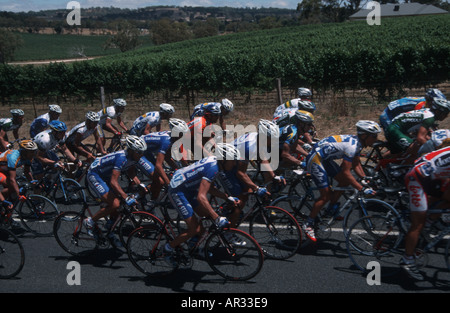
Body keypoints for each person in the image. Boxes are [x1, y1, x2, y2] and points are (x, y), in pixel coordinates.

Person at [303, 120, 381, 242]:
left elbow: (356, 164)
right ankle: (308, 224)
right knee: (326, 195)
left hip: (325, 159)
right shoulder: (353, 146)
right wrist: (361, 188)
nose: (376, 139)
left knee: (345, 182)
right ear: (364, 136)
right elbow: (346, 171)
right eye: (374, 136)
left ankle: (329, 210)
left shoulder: (358, 144)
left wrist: (365, 179)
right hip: (315, 159)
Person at [163, 143, 240, 267]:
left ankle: (193, 245)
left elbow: (208, 189)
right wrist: (217, 217)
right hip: (178, 190)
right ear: (224, 160)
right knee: (195, 228)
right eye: (233, 161)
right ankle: (167, 249)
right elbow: (201, 196)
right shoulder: (213, 169)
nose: (234, 164)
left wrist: (226, 197)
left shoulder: (216, 165)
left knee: (206, 218)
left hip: (189, 189)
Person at [84, 135, 155, 243]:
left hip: (106, 175)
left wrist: (140, 185)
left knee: (119, 204)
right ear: (131, 151)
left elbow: (131, 173)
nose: (141, 155)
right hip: (96, 174)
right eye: (139, 152)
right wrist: (126, 197)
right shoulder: (122, 158)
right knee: (116, 203)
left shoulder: (134, 158)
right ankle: (90, 222)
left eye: (142, 152)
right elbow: (113, 182)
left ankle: (109, 230)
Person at [218, 119, 284, 228]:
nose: (274, 141)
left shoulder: (258, 139)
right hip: (226, 167)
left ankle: (231, 211)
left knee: (247, 192)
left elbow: (263, 159)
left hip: (235, 163)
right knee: (240, 199)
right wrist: (256, 188)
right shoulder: (249, 146)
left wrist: (274, 176)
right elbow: (240, 173)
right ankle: (227, 226)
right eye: (271, 139)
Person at [402, 146, 450, 280]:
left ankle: (429, 223)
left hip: (431, 175)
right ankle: (407, 259)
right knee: (418, 224)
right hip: (417, 178)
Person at [384, 98, 450, 164]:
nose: (446, 116)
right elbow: (420, 138)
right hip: (395, 130)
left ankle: (381, 161)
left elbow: (426, 135)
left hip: (395, 128)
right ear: (438, 112)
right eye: (445, 113)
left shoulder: (428, 112)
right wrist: (434, 151)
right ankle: (404, 173)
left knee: (399, 153)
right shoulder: (430, 118)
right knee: (419, 152)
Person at [140, 118, 189, 199]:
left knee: (160, 179)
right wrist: (169, 183)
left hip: (147, 152)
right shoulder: (167, 141)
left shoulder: (172, 138)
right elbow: (158, 165)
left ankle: (152, 200)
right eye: (181, 134)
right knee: (160, 181)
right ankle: (140, 197)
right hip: (139, 154)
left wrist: (178, 169)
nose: (183, 136)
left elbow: (167, 157)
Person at [379, 88, 446, 131]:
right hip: (388, 115)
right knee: (397, 141)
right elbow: (416, 120)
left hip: (393, 112)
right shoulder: (422, 104)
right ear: (431, 100)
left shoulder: (426, 103)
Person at [0, 140, 37, 206]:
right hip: (2, 170)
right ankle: (2, 200)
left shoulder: (29, 157)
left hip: (5, 169)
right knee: (13, 186)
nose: (33, 154)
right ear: (24, 151)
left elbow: (27, 172)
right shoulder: (13, 158)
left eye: (34, 151)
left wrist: (34, 183)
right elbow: (12, 179)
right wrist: (19, 195)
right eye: (31, 152)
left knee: (16, 187)